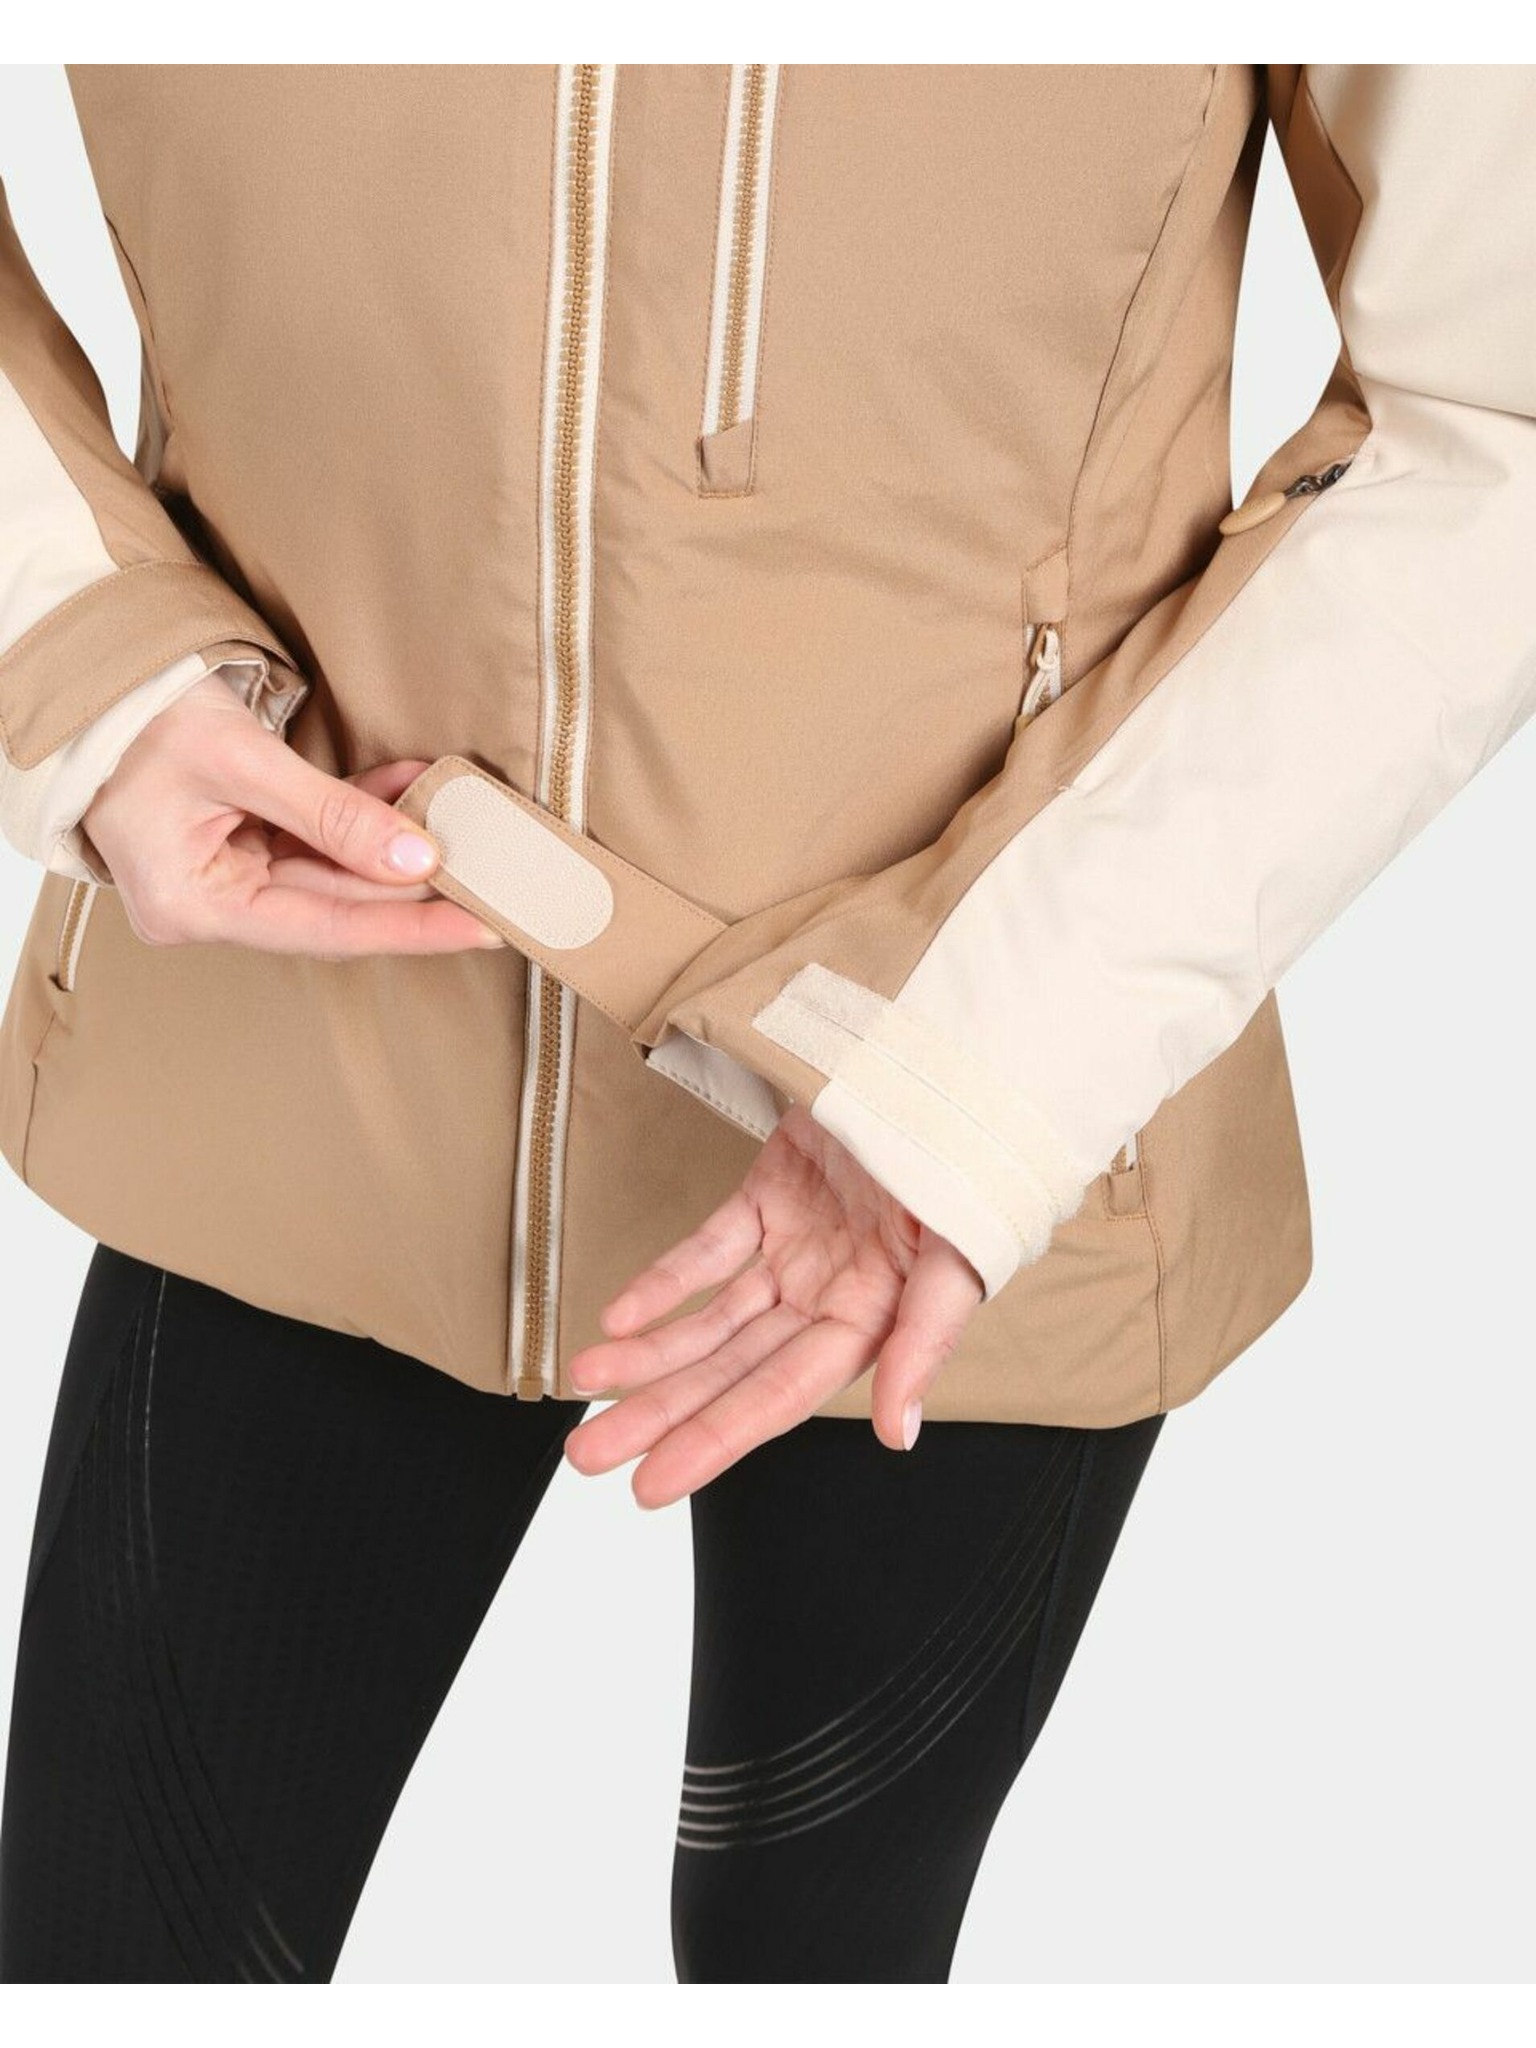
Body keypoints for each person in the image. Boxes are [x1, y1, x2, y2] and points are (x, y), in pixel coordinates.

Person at [0, 63, 1530, 1984]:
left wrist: (996, 1056)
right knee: (104, 1962)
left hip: (976, 1113)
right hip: (285, 1030)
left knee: (814, 1963)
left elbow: (1493, 404)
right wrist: (79, 657)